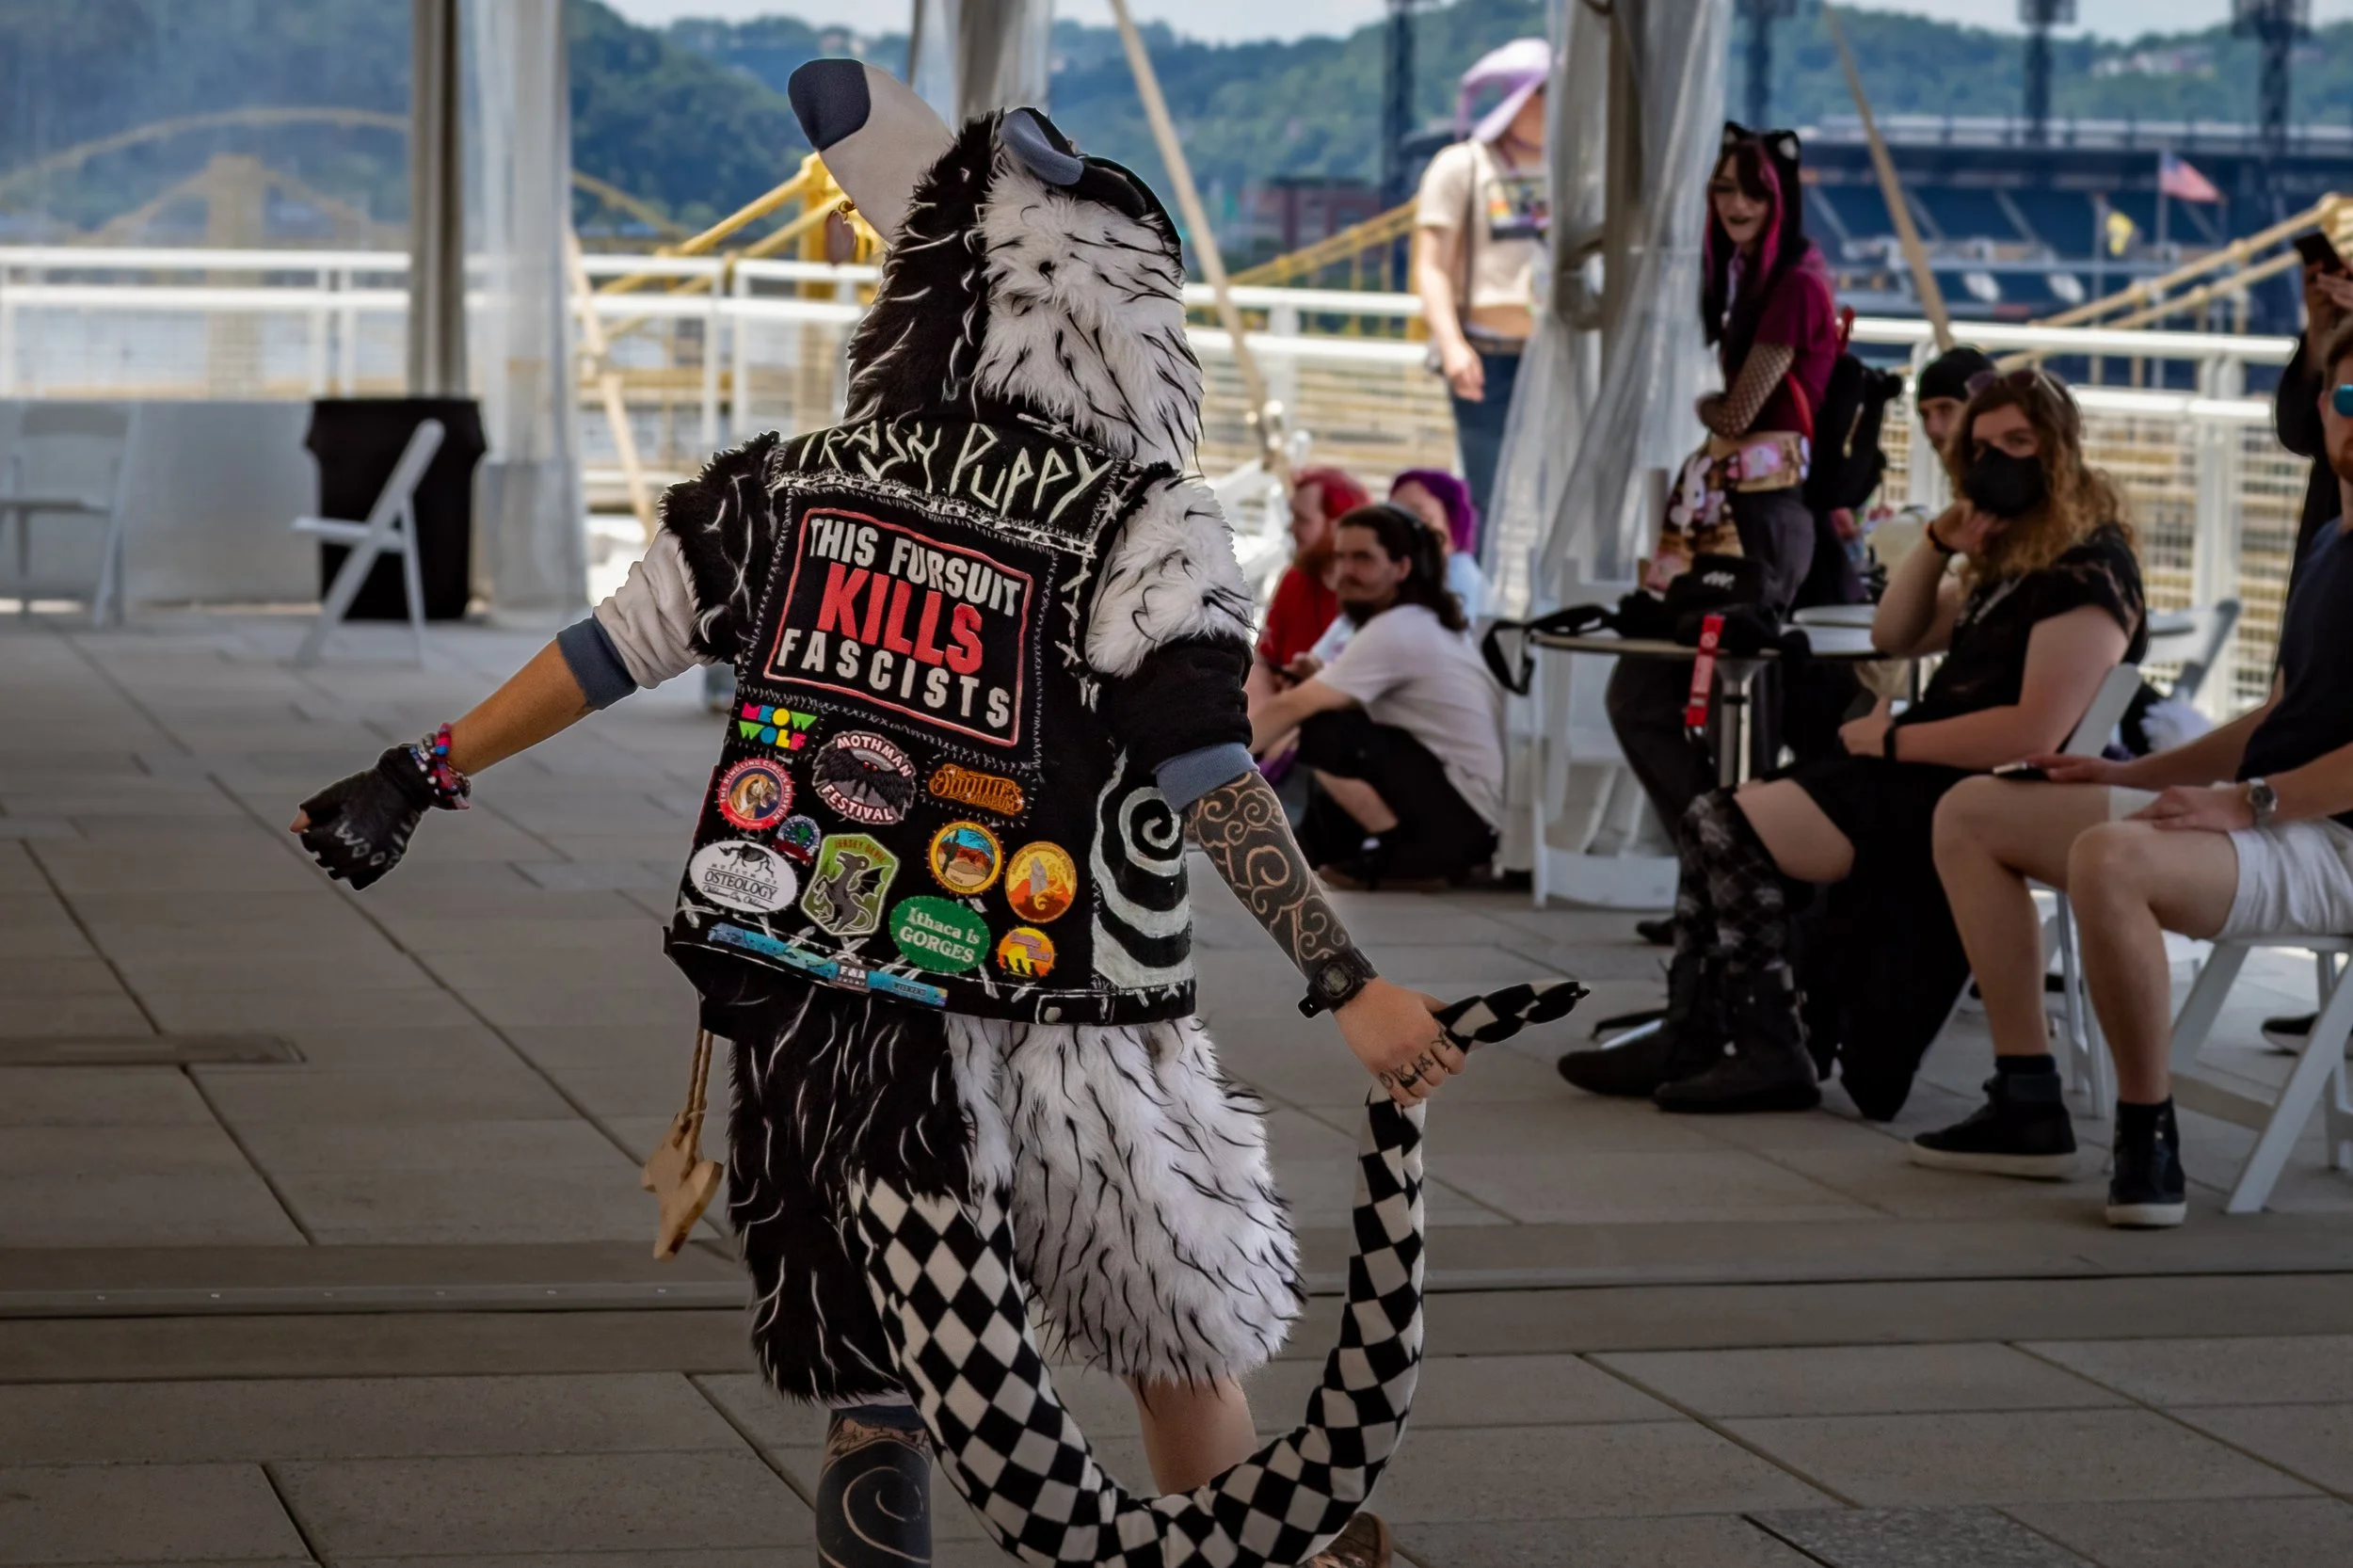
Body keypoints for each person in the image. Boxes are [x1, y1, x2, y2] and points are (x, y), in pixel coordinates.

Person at [288, 69, 1445, 1568]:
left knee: (876, 1374)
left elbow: (614, 645)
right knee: (1174, 1327)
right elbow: (1202, 769)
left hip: (827, 1000)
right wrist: (1346, 981)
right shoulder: (1139, 524)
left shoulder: (795, 484)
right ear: (1129, 319)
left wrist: (420, 772)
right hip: (1065, 1005)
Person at [1558, 370, 2146, 1116]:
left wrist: (1894, 739)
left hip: (1974, 790)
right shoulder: (2016, 558)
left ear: (2059, 450)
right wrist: (1939, 541)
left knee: (1721, 820)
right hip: (1924, 771)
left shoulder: (2088, 569)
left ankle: (1760, 1045)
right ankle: (1704, 1029)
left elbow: (2034, 731)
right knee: (1718, 814)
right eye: (1984, 447)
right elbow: (1892, 632)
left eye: (2019, 443)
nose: (1999, 461)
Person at [1916, 317, 2353, 1226]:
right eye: (2350, 398)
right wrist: (2134, 773)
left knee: (2110, 861)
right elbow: (2277, 716)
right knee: (1972, 812)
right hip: (2271, 817)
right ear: (2324, 409)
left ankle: (2146, 1129)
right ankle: (2028, 1094)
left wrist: (2248, 803)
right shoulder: (2327, 550)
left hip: (2335, 841)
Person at [1604, 125, 1843, 848]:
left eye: (1751, 189)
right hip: (1732, 523)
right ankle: (1719, 870)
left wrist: (1709, 409)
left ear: (1780, 198)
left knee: (1739, 711)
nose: (1735, 203)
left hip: (1756, 525)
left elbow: (1739, 410)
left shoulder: (1794, 284)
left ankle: (1736, 879)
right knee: (1667, 699)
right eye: (1722, 187)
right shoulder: (1756, 277)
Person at [1250, 504, 1504, 887]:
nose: (1345, 572)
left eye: (1363, 558)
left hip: (1461, 821)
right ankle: (1351, 853)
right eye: (1341, 558)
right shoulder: (1421, 620)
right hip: (1474, 818)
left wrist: (1209, 766)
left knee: (1322, 731)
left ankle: (1406, 854)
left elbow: (1293, 706)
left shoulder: (1396, 628)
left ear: (1401, 568)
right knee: (1338, 727)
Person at [2250, 250, 2353, 1056]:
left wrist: (2244, 802)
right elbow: (2301, 430)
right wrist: (2324, 334)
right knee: (2308, 710)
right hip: (2335, 546)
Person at [1415, 37, 1548, 531]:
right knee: (1484, 495)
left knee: (1557, 492)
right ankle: (1481, 596)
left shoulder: (1577, 171)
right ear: (1519, 98)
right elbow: (1432, 265)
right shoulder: (1462, 165)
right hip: (1486, 353)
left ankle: (1547, 599)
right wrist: (1451, 344)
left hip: (1557, 355)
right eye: (1546, 93)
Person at [1250, 466, 1370, 706]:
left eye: (1302, 520)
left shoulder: (1376, 597)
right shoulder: (1294, 578)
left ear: (1340, 527)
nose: (1291, 528)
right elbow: (1262, 663)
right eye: (1293, 517)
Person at [1390, 467, 1487, 621]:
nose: (1400, 524)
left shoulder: (1457, 583)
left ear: (1451, 521)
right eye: (1393, 513)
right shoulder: (1414, 573)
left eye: (1417, 515)